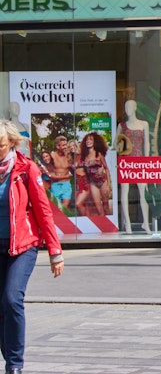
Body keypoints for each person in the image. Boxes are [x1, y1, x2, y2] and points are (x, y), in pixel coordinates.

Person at [0, 120, 64, 374]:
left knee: (11, 299)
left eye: (1, 146)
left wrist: (55, 252)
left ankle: (14, 364)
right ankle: (8, 355)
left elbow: (44, 212)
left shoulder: (27, 169)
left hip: (22, 245)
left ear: (12, 143)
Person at [118, 99, 151, 233]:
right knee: (125, 191)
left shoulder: (144, 124)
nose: (128, 109)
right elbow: (117, 144)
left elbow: (147, 144)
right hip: (126, 161)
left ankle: (146, 224)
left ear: (136, 107)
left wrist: (147, 162)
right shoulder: (122, 126)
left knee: (144, 192)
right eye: (126, 107)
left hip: (140, 161)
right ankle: (128, 223)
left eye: (130, 106)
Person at [74, 132, 110, 217]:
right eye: (87, 140)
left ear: (95, 142)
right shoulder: (84, 156)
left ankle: (110, 226)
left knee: (106, 207)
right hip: (93, 183)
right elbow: (76, 164)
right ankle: (103, 228)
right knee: (99, 209)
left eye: (91, 139)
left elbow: (106, 168)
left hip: (103, 182)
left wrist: (108, 184)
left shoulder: (99, 154)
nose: (88, 141)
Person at [49, 135, 74, 212]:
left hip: (66, 184)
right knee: (56, 208)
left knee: (65, 206)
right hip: (55, 185)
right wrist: (64, 176)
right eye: (63, 145)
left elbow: (73, 171)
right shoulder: (52, 156)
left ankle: (65, 223)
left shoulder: (69, 157)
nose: (65, 147)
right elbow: (48, 172)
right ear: (57, 146)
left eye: (66, 144)